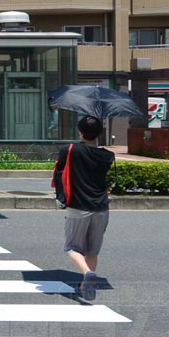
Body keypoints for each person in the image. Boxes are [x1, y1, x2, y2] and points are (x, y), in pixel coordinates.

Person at [56, 115, 115, 301]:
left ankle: (87, 274)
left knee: (72, 248)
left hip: (78, 207)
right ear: (100, 133)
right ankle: (85, 286)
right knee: (92, 250)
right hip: (101, 208)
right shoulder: (108, 155)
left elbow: (59, 171)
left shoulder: (70, 150)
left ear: (80, 132)